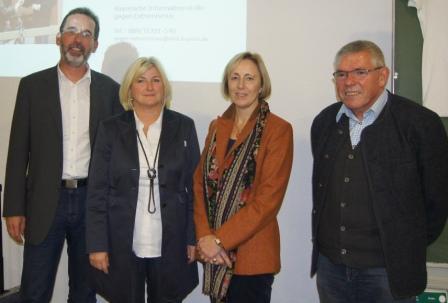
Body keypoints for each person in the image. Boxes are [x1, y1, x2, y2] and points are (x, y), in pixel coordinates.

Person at [310, 40, 448, 303]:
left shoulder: (421, 124)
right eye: (341, 74)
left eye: (360, 72)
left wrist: (403, 244)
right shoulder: (325, 123)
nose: (349, 81)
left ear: (382, 76)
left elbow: (437, 204)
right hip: (332, 270)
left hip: (387, 273)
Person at [2, 7, 122, 302]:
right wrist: (13, 207)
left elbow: (118, 157)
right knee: (35, 290)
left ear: (94, 45)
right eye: (71, 31)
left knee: (84, 292)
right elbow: (18, 150)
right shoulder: (32, 86)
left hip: (90, 204)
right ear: (58, 38)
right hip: (45, 202)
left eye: (86, 34)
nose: (77, 40)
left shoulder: (110, 91)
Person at [86, 57, 199, 303]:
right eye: (141, 80)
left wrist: (193, 237)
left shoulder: (184, 127)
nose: (149, 87)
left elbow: (196, 190)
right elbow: (97, 191)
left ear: (165, 88)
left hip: (172, 240)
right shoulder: (110, 129)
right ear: (129, 89)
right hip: (122, 241)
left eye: (156, 80)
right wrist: (97, 244)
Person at [194, 51, 294, 303]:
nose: (241, 85)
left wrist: (219, 240)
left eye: (249, 78)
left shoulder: (278, 130)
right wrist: (206, 237)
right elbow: (200, 186)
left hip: (253, 257)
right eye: (234, 77)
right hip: (214, 254)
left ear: (261, 85)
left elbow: (267, 201)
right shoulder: (217, 127)